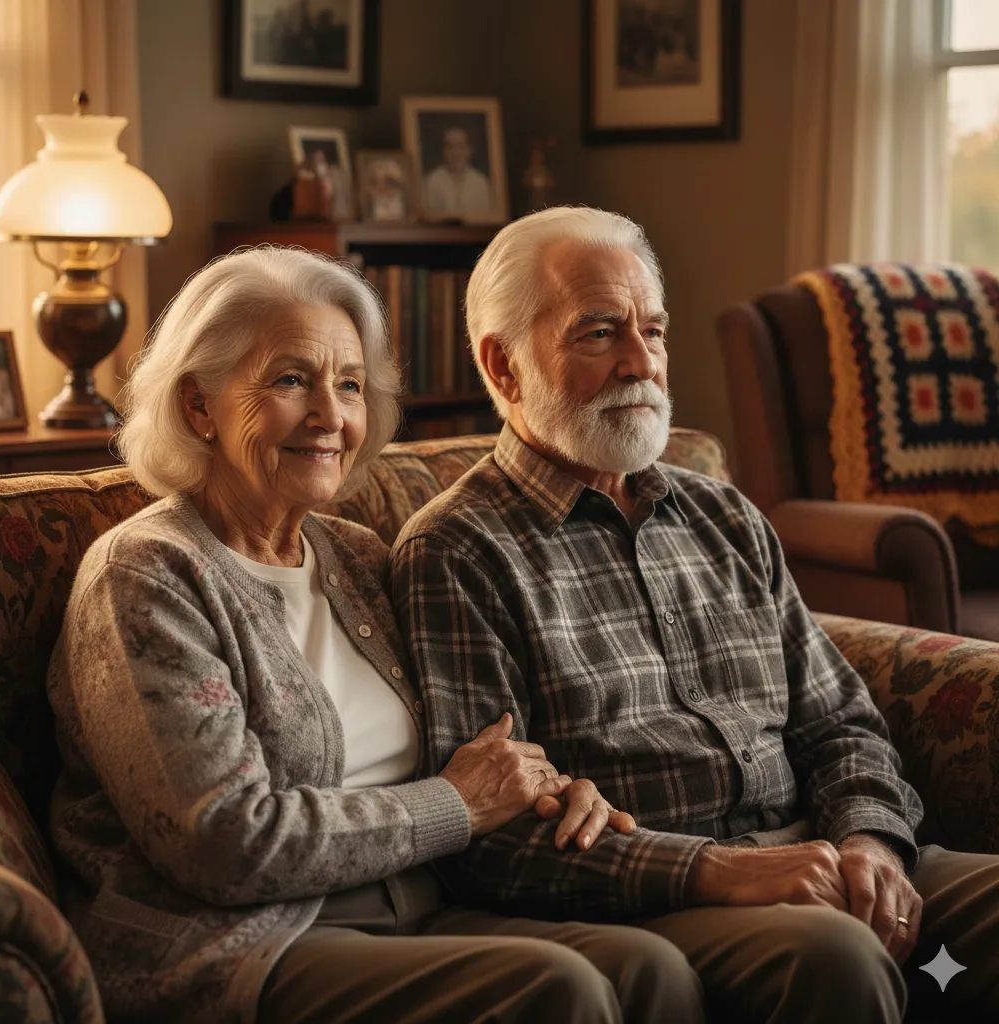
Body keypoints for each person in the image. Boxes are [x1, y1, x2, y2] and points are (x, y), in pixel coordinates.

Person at [47, 245, 707, 1024]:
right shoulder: (147, 575)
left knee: (650, 967)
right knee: (558, 989)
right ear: (199, 406)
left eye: (351, 384)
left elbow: (471, 751)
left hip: (419, 905)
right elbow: (222, 842)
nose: (331, 415)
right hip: (240, 942)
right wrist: (456, 805)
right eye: (291, 380)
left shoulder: (357, 558)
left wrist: (550, 789)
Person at [390, 206, 999, 1024]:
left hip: (824, 851)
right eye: (600, 333)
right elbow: (490, 836)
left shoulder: (725, 515)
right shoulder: (457, 551)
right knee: (834, 954)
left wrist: (871, 840)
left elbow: (840, 724)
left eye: (653, 330)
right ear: (504, 365)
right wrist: (718, 870)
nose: (641, 362)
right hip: (663, 900)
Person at [422, 125, 492, 216]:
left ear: (470, 150)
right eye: (450, 147)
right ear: (443, 151)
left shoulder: (480, 182)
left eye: (460, 146)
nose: (455, 152)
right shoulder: (432, 181)